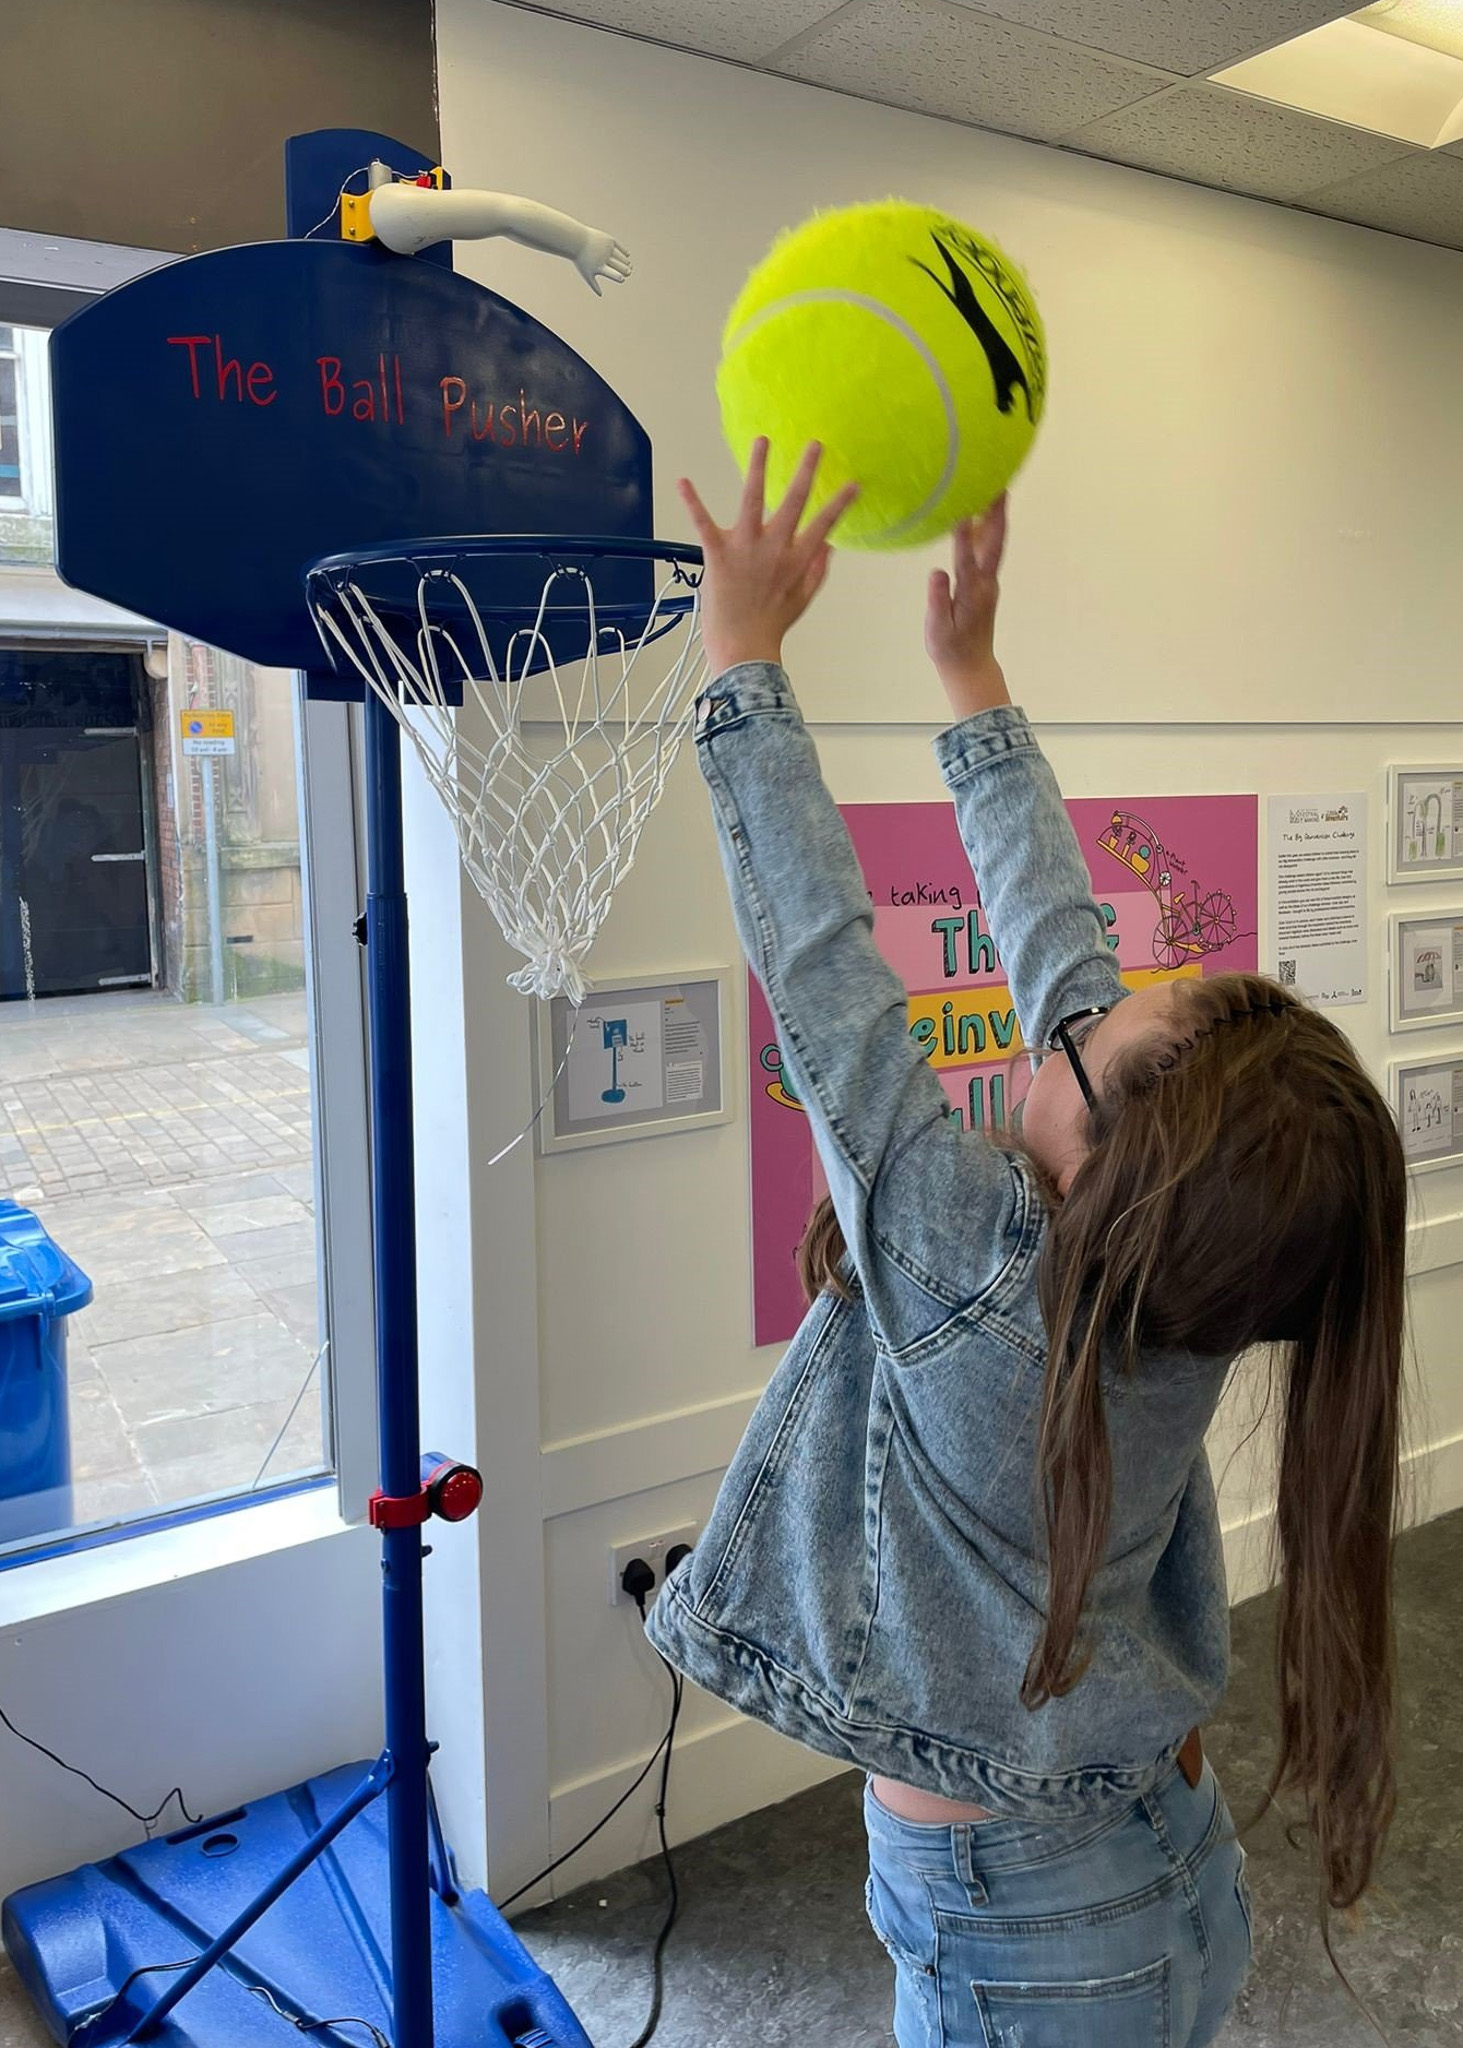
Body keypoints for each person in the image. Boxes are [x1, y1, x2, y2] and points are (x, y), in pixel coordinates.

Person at [646, 441, 1407, 2046]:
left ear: (1118, 1161)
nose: (1071, 1016)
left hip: (1036, 1937)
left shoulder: (966, 1269)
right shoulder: (1178, 1278)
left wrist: (744, 662)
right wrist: (968, 672)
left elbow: (819, 958)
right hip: (1152, 1874)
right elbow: (1063, 952)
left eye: (1097, 1037)